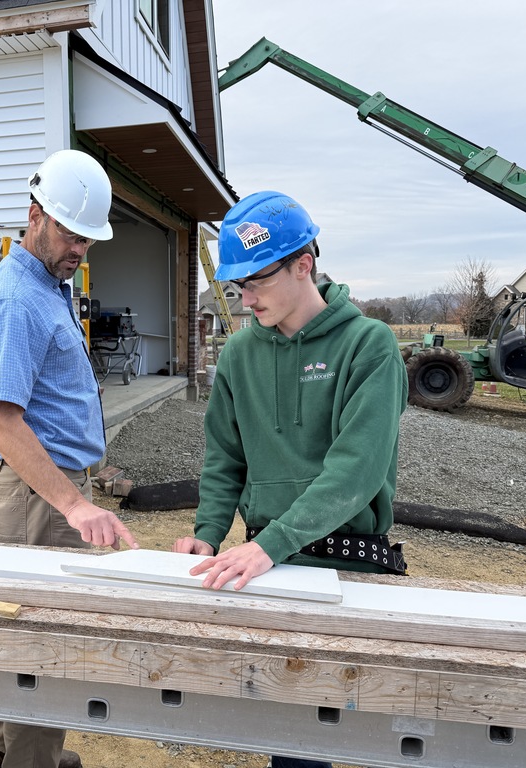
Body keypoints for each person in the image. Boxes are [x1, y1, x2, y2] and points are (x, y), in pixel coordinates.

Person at [173, 191, 408, 768]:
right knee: (283, 726)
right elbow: (225, 457)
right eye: (238, 286)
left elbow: (356, 471)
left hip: (346, 562)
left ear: (304, 263)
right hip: (269, 564)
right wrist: (207, 532)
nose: (245, 298)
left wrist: (268, 544)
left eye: (257, 281)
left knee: (324, 726)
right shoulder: (239, 355)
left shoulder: (368, 346)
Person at [0, 148, 140, 768]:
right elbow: (3, 422)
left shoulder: (48, 284)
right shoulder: (17, 299)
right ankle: (28, 760)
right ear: (35, 213)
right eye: (72, 233)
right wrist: (71, 502)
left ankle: (6, 750)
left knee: (25, 631)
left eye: (89, 239)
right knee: (43, 644)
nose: (81, 250)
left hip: (45, 487)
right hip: (36, 493)